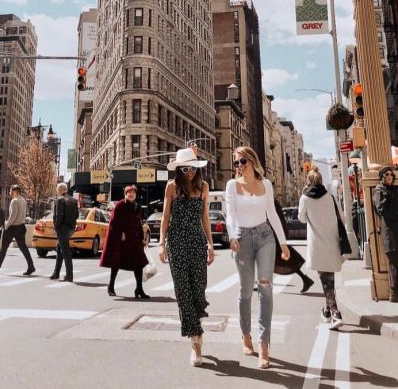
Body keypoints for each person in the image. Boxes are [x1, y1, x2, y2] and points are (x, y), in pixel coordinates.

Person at [225, 146, 290, 370]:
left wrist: (283, 243)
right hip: (242, 237)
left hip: (265, 237)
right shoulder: (232, 185)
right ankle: (246, 334)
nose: (239, 166)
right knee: (245, 291)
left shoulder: (267, 184)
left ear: (252, 161)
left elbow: (271, 213)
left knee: (266, 287)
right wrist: (232, 235)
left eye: (243, 161)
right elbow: (231, 213)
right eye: (236, 163)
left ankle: (264, 344)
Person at [159, 148, 214, 367]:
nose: (189, 172)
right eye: (185, 168)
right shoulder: (171, 187)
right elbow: (165, 217)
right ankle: (195, 340)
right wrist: (161, 244)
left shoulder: (204, 187)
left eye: (192, 168)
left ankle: (196, 322)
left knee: (198, 288)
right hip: (176, 243)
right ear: (179, 169)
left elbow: (205, 217)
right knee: (183, 290)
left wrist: (210, 243)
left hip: (197, 242)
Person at [298, 166, 344, 330]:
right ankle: (326, 311)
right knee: (328, 277)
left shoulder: (304, 198)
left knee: (325, 279)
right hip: (332, 242)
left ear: (308, 182)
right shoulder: (331, 197)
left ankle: (335, 312)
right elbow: (343, 218)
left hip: (316, 244)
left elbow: (302, 219)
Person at [100, 185, 149, 298]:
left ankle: (139, 289)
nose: (131, 194)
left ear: (136, 195)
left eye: (133, 192)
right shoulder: (120, 205)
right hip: (123, 240)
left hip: (135, 240)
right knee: (116, 263)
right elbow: (113, 222)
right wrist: (120, 232)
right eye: (129, 192)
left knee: (139, 264)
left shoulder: (137, 206)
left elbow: (138, 223)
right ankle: (111, 286)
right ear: (125, 194)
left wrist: (142, 238)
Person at [372, 167, 398, 303]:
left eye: (391, 174)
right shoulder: (379, 190)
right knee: (394, 261)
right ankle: (394, 293)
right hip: (390, 231)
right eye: (386, 174)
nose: (390, 176)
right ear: (382, 177)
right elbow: (382, 210)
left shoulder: (393, 190)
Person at [0, 185, 36, 276]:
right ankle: (31, 266)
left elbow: (13, 216)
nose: (9, 192)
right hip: (21, 227)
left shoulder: (14, 201)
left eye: (10, 191)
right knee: (23, 248)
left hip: (12, 227)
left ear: (14, 191)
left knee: (4, 249)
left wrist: (6, 225)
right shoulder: (23, 200)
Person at [273, 196, 313, 293]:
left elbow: (277, 220)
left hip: (274, 235)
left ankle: (306, 279)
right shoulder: (271, 200)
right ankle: (305, 279)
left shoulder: (271, 201)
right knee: (271, 261)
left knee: (283, 260)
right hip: (273, 235)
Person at [50, 183, 78, 282]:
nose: (56, 192)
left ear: (60, 190)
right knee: (59, 249)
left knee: (65, 251)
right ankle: (56, 273)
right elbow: (77, 215)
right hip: (71, 228)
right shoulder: (74, 200)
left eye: (57, 190)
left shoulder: (59, 200)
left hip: (62, 228)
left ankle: (69, 275)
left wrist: (56, 227)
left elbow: (59, 215)